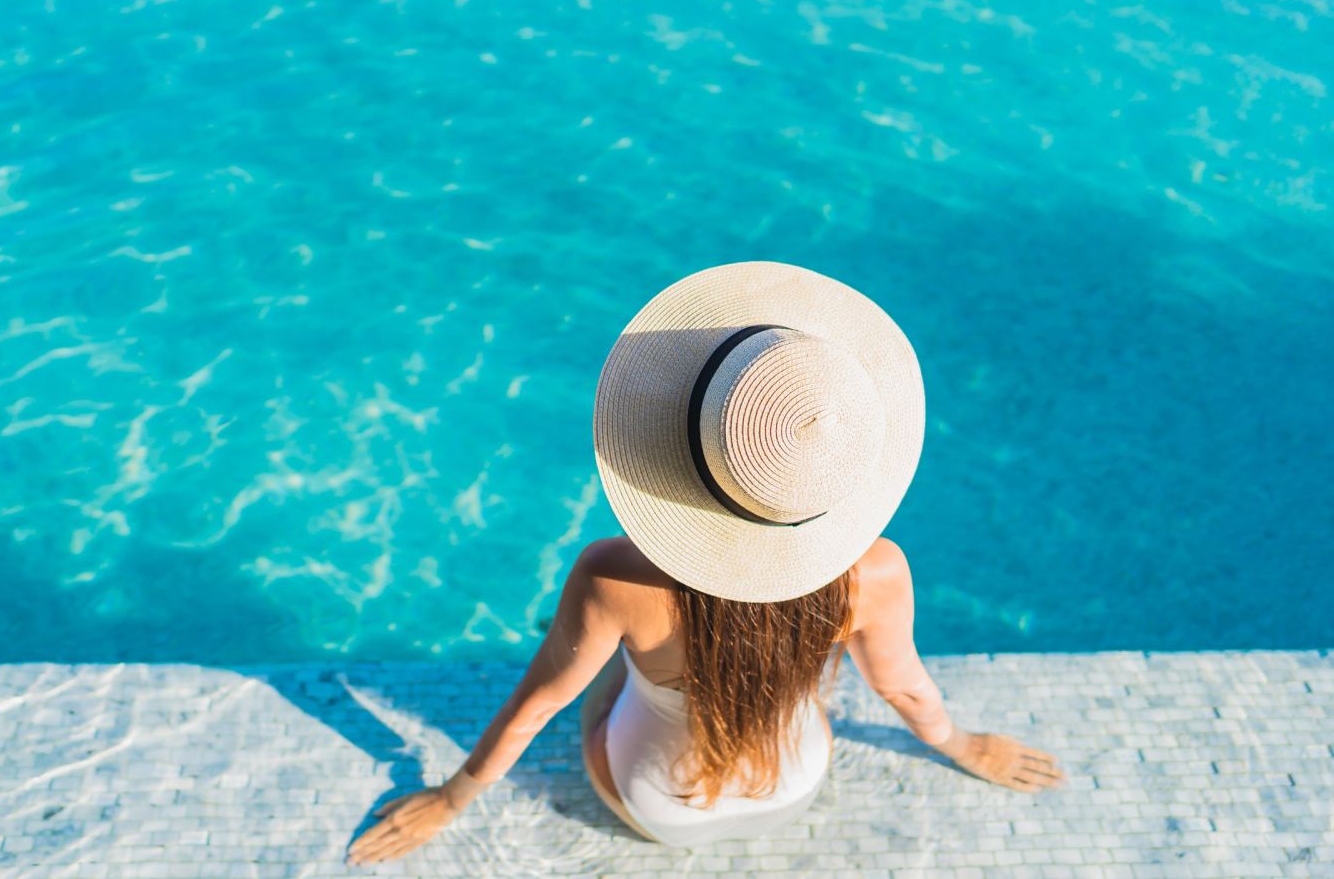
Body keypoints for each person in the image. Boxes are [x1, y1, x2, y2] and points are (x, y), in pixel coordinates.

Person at [347, 262, 1063, 865]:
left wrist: (449, 800)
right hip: (792, 789)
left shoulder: (612, 578)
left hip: (652, 805)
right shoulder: (876, 573)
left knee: (596, 673)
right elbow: (906, 693)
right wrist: (969, 749)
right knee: (756, 664)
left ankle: (590, 640)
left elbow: (536, 708)